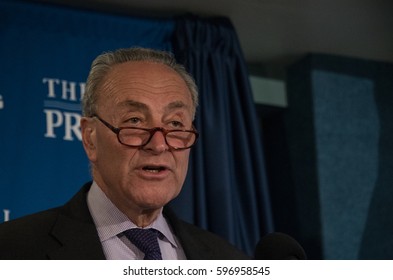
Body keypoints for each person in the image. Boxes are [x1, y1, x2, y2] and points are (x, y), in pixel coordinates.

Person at [0, 47, 249, 260]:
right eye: (135, 121)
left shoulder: (226, 259)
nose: (159, 145)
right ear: (90, 138)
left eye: (175, 124)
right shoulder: (13, 249)